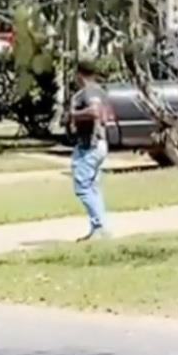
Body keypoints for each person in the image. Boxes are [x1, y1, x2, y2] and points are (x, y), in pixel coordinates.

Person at [69, 59, 110, 241]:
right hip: (100, 143)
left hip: (90, 145)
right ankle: (98, 228)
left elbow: (94, 112)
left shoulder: (88, 92)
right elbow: (106, 117)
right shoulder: (101, 92)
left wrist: (73, 115)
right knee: (93, 187)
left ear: (79, 74)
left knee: (82, 187)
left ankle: (99, 226)